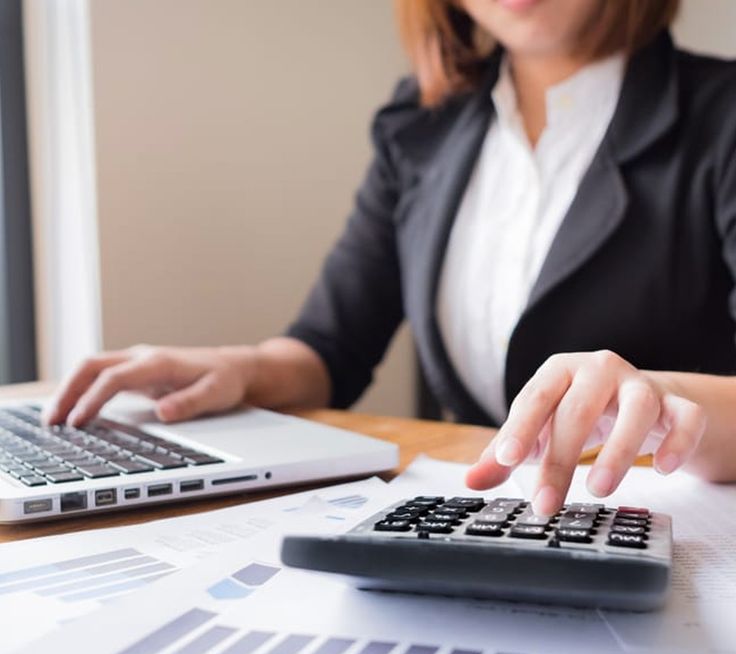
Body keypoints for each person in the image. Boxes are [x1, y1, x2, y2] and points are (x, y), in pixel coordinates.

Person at [44, 0, 736, 514]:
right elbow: (329, 350)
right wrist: (237, 367)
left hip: (680, 533)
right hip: (485, 523)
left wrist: (670, 401)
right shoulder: (424, 122)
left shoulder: (722, 116)